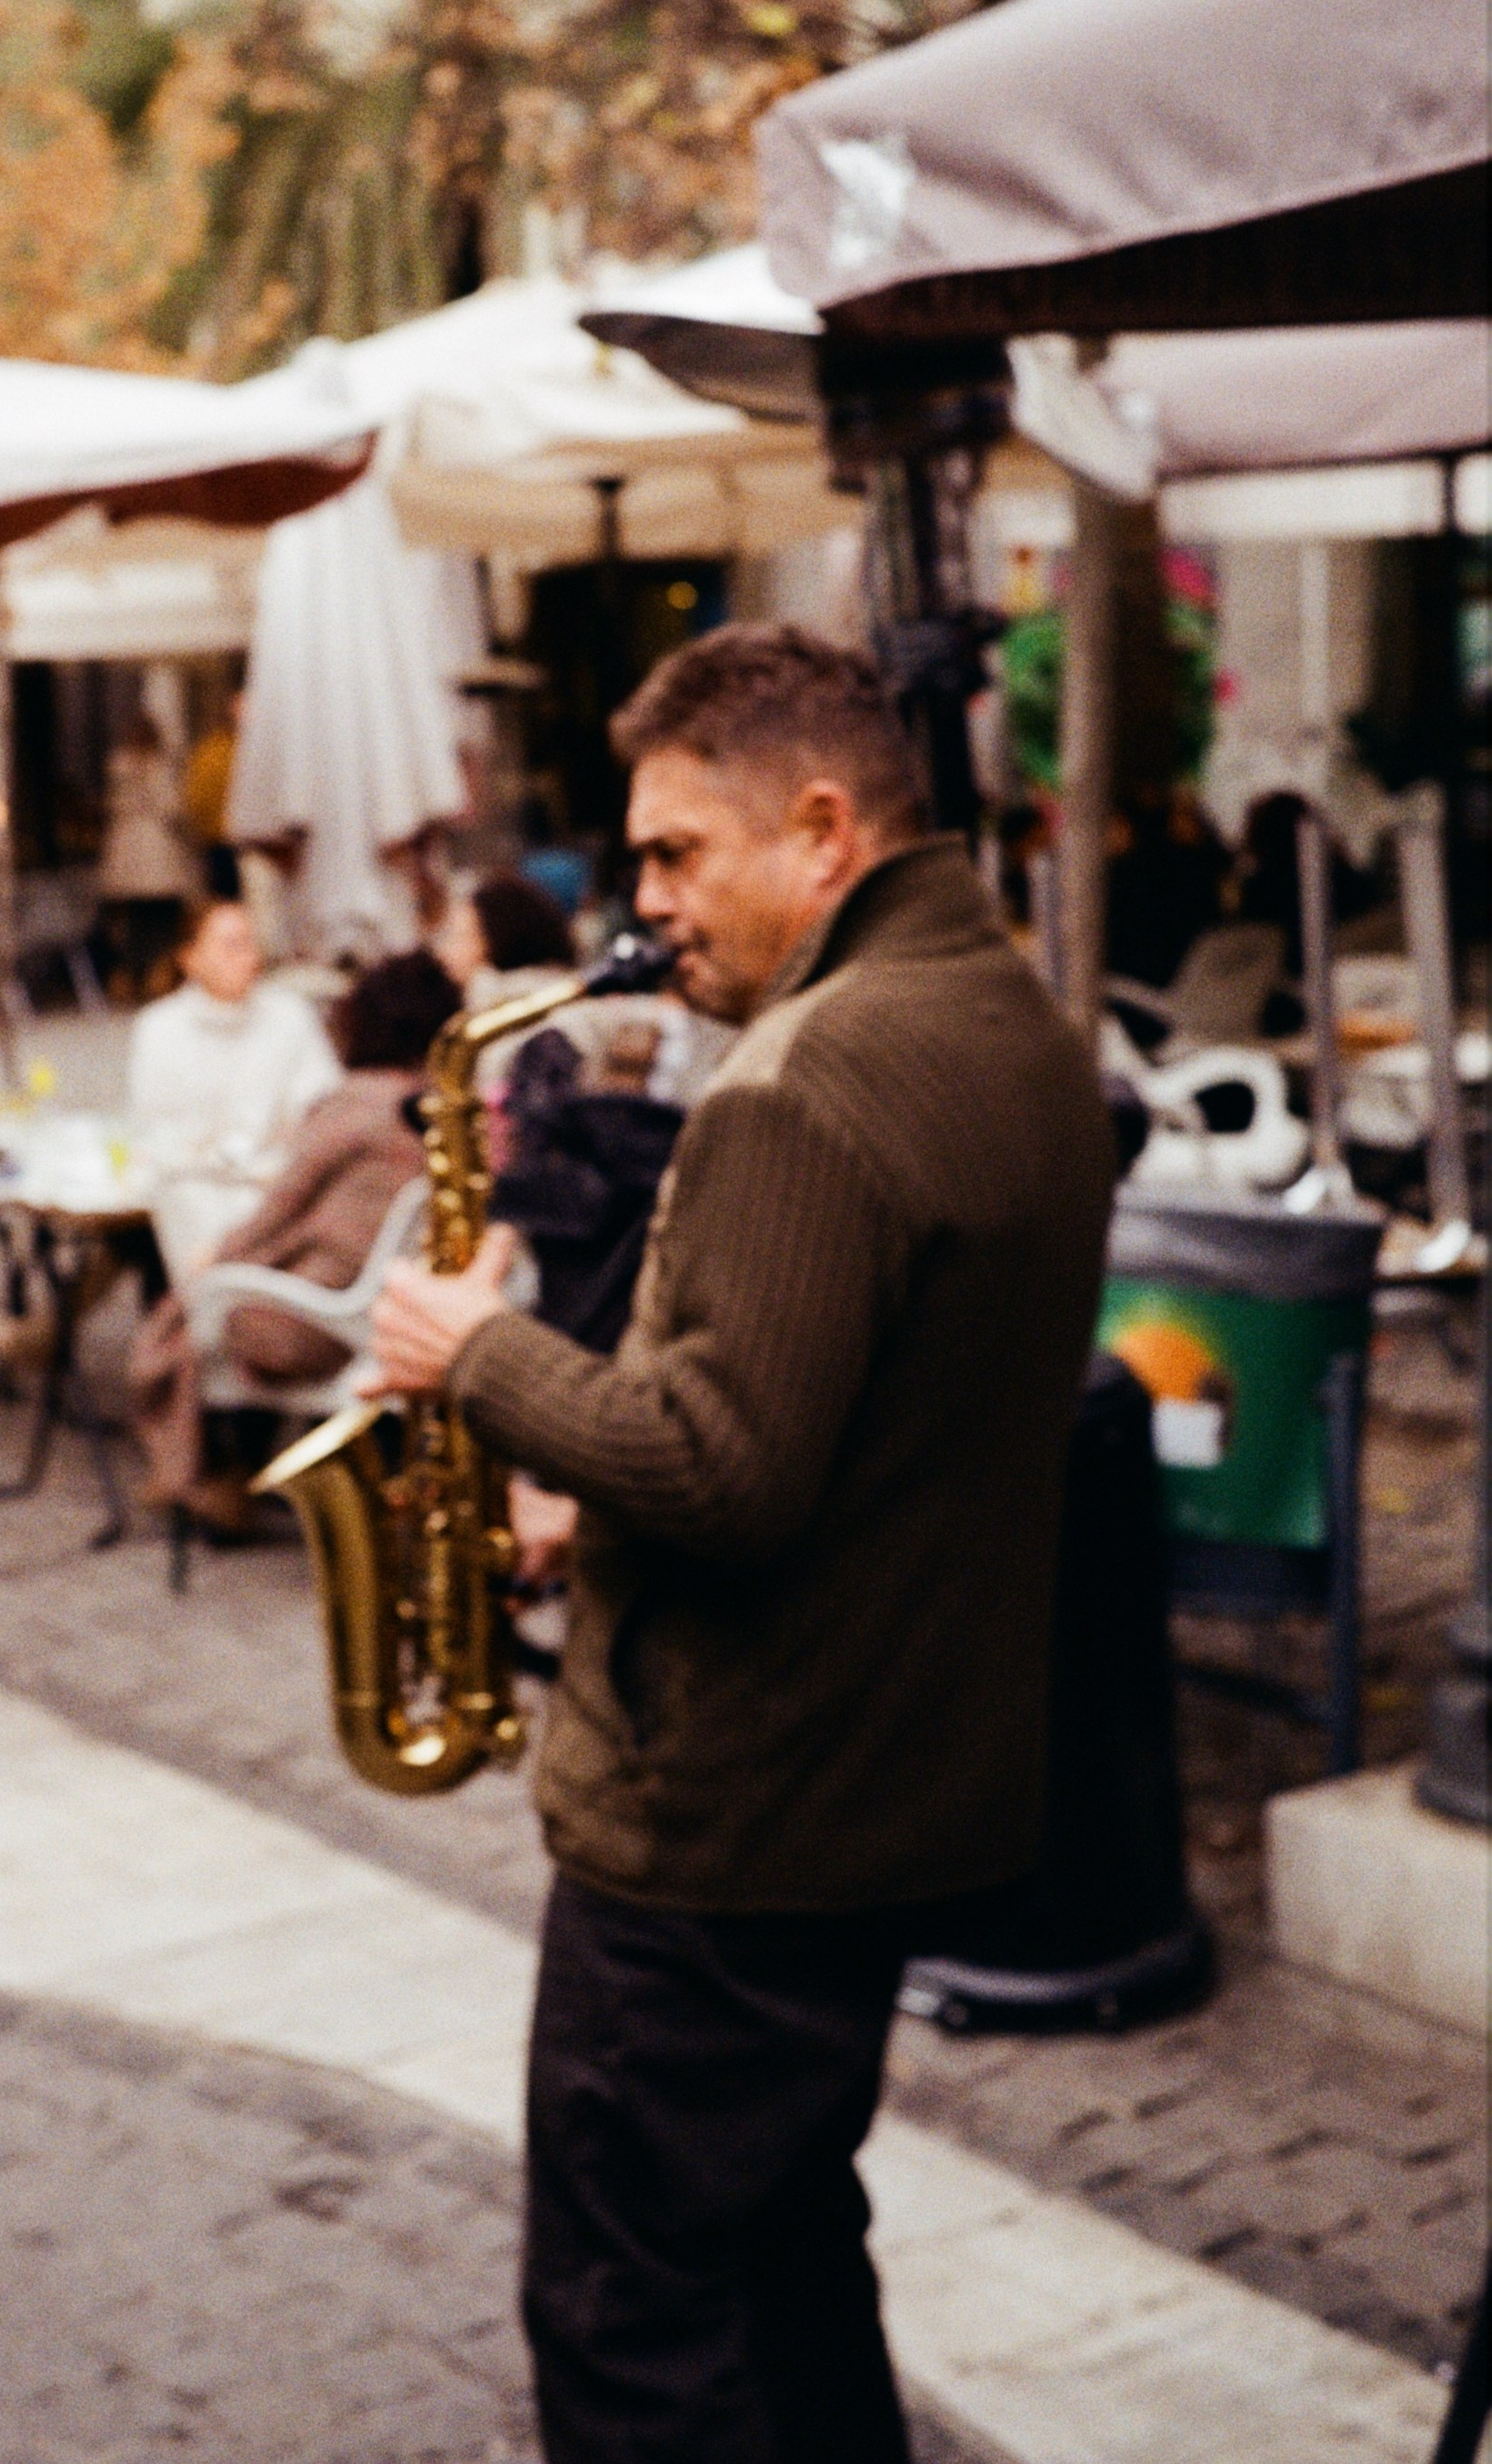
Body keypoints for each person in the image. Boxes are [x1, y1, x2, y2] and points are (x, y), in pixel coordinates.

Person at [367, 624, 1114, 2464]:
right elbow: (851, 1429)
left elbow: (719, 1469)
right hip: (884, 1791)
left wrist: (482, 1357)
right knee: (780, 2254)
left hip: (722, 1828)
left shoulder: (794, 1087)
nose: (643, 900)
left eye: (672, 851)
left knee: (632, 2316)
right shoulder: (1011, 1020)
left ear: (818, 827)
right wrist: (578, 1498)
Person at [130, 948, 459, 1530]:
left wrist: (215, 1262)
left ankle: (211, 1479)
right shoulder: (443, 1108)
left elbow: (276, 1211)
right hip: (390, 1309)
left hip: (324, 1324)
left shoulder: (353, 1105)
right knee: (232, 1293)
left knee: (198, 1308)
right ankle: (236, 1478)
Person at [127, 897, 340, 1280]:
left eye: (250, 943)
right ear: (191, 958)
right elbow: (156, 1135)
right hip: (198, 1196)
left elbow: (322, 1110)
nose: (248, 957)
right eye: (232, 946)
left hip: (282, 1189)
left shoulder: (290, 1016)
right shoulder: (159, 1029)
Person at [98, 709, 195, 998]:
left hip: (126, 854)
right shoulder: (159, 768)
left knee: (134, 921)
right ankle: (156, 975)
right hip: (156, 853)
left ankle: (135, 976)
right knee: (160, 918)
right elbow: (173, 807)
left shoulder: (117, 767)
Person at [432, 869, 577, 1006]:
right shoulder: (563, 990)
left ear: (497, 939)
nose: (442, 953)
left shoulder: (499, 1006)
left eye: (458, 937)